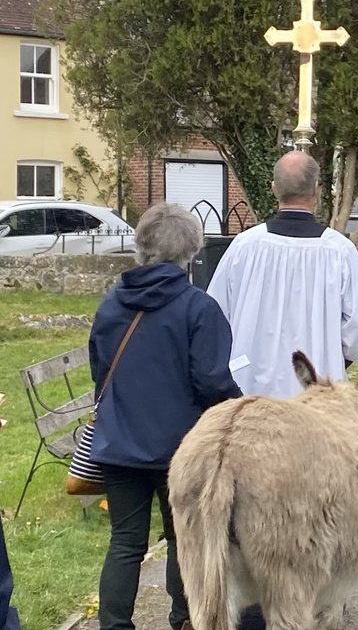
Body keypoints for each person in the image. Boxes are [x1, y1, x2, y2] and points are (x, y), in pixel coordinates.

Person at [89, 203, 243, 630]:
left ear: (141, 247)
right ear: (191, 251)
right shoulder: (198, 308)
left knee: (124, 544)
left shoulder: (111, 304)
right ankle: (185, 619)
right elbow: (213, 383)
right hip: (181, 448)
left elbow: (100, 370)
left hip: (118, 444)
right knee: (183, 540)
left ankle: (114, 625)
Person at [207, 150, 358, 397]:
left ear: (274, 189)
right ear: (317, 190)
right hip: (317, 394)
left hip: (251, 393)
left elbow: (214, 317)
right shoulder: (338, 251)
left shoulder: (244, 246)